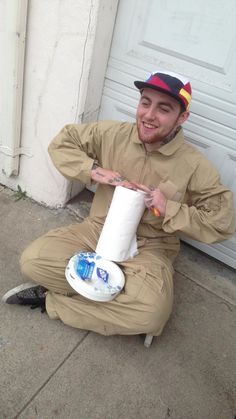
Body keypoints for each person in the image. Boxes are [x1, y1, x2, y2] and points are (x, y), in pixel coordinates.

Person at [2, 71, 235, 337]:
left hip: (152, 246)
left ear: (182, 118)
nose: (148, 115)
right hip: (98, 230)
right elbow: (63, 142)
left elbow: (223, 221)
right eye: (145, 102)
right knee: (33, 262)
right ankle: (112, 301)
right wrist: (93, 171)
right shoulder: (114, 134)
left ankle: (53, 301)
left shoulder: (194, 164)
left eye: (164, 109)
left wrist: (169, 207)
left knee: (151, 315)